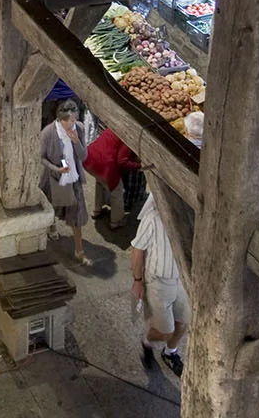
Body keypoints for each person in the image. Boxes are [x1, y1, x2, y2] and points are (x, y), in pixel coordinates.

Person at [131, 196, 188, 377]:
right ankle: (147, 340)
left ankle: (170, 352)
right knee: (165, 331)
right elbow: (137, 249)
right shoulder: (153, 219)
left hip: (182, 279)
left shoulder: (188, 218)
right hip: (159, 281)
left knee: (183, 323)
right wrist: (137, 281)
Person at [40, 99, 91, 266]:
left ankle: (79, 250)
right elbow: (41, 158)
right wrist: (56, 169)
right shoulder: (48, 133)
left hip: (73, 177)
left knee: (76, 214)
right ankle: (52, 228)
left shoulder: (80, 129)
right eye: (68, 121)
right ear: (59, 119)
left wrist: (76, 141)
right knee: (53, 206)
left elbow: (83, 157)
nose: (71, 124)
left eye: (74, 120)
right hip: (55, 178)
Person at [84, 128, 140, 230]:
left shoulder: (113, 128)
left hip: (89, 158)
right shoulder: (128, 138)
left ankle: (97, 210)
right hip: (105, 166)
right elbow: (122, 162)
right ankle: (116, 221)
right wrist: (138, 166)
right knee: (117, 192)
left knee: (100, 182)